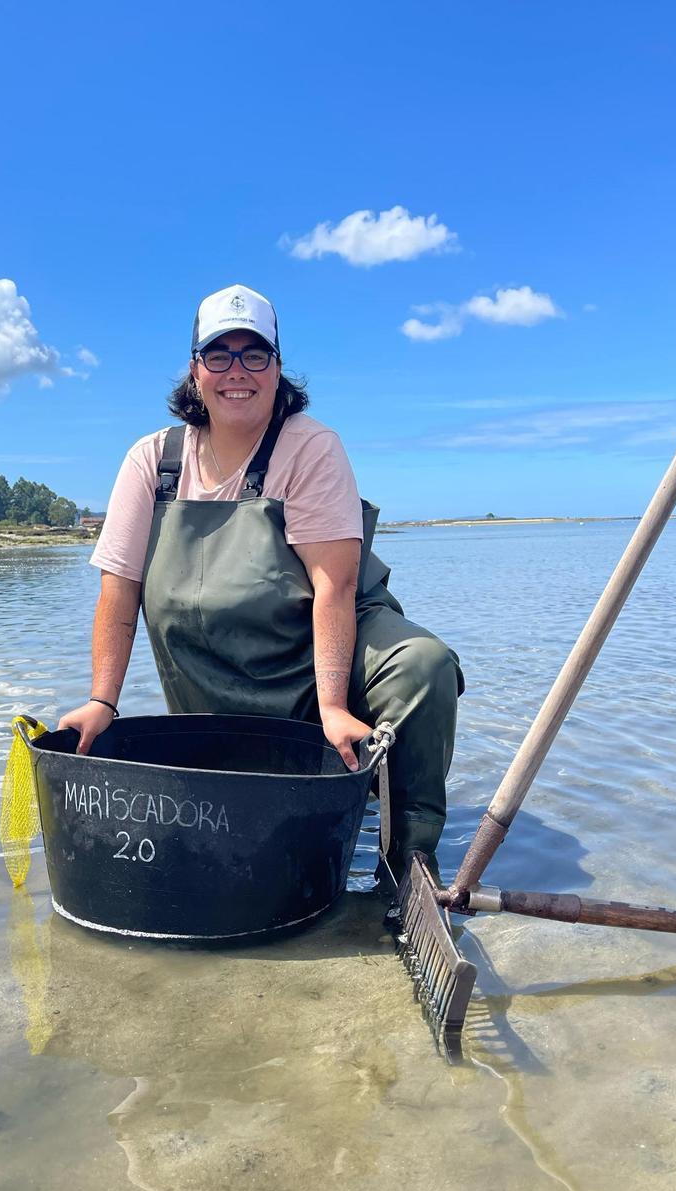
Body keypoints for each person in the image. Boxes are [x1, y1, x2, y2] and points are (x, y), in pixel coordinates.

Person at [58, 284, 463, 878]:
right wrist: (101, 702)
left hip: (326, 652)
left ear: (278, 369)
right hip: (219, 683)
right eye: (219, 355)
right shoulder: (152, 462)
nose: (236, 372)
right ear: (195, 370)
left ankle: (408, 862)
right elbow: (118, 595)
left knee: (423, 665)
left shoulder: (311, 448)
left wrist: (330, 705)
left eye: (255, 355)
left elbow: (335, 587)